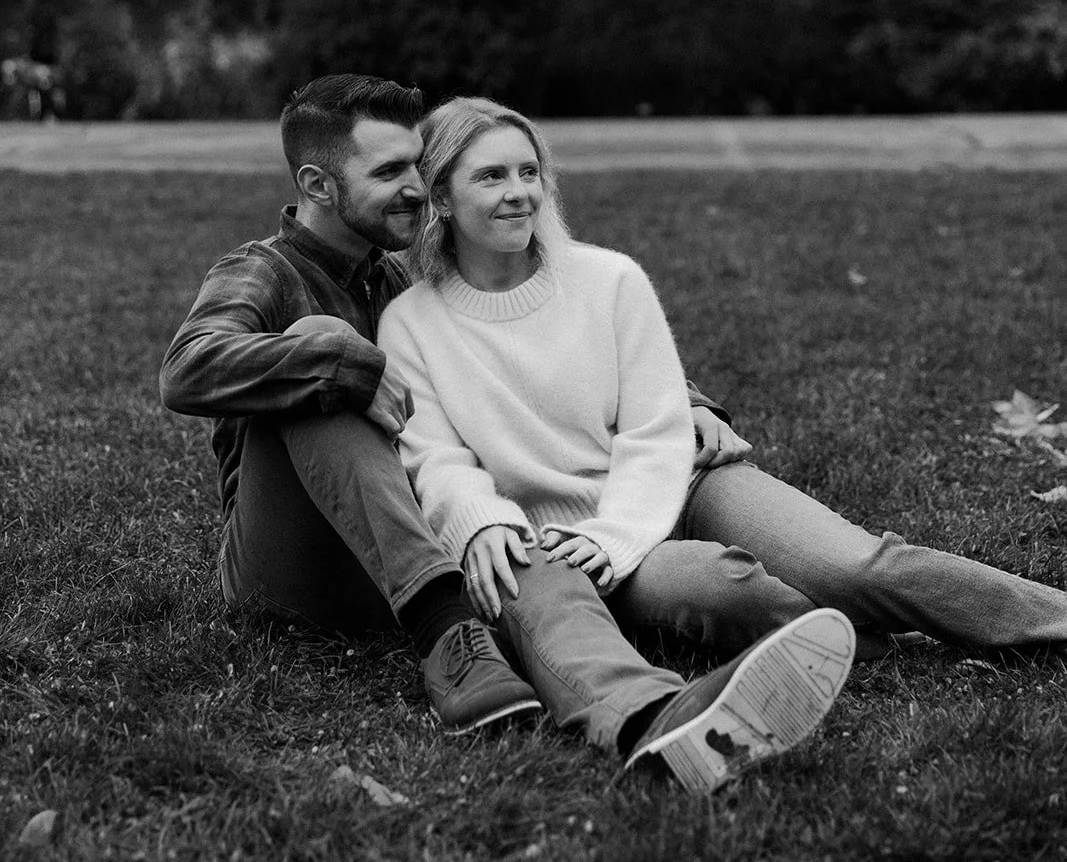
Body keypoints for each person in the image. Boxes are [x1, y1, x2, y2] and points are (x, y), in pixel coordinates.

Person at [160, 73, 854, 793]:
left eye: (419, 166)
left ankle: (657, 707)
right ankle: (445, 629)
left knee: (520, 543)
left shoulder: (400, 284)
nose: (416, 185)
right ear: (318, 182)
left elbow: (520, 344)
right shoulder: (261, 270)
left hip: (408, 548)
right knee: (320, 343)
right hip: (298, 566)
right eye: (391, 170)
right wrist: (342, 359)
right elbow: (186, 368)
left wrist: (688, 403)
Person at [378, 94, 1067, 718]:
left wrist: (617, 532)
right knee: (724, 592)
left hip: (681, 486)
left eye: (529, 172)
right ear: (439, 196)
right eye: (491, 177)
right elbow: (435, 455)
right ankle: (861, 640)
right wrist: (481, 521)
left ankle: (1048, 619)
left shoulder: (606, 278)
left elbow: (656, 425)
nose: (519, 193)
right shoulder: (412, 323)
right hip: (568, 548)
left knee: (855, 568)